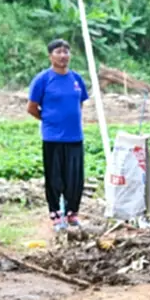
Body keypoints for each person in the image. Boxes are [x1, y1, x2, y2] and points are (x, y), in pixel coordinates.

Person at [27, 38, 90, 231]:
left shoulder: (76, 79)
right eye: (58, 52)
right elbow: (31, 108)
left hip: (74, 137)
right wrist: (49, 120)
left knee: (75, 179)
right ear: (50, 56)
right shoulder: (43, 79)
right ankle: (55, 214)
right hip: (52, 137)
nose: (63, 56)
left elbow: (79, 103)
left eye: (66, 52)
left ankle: (72, 213)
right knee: (55, 177)